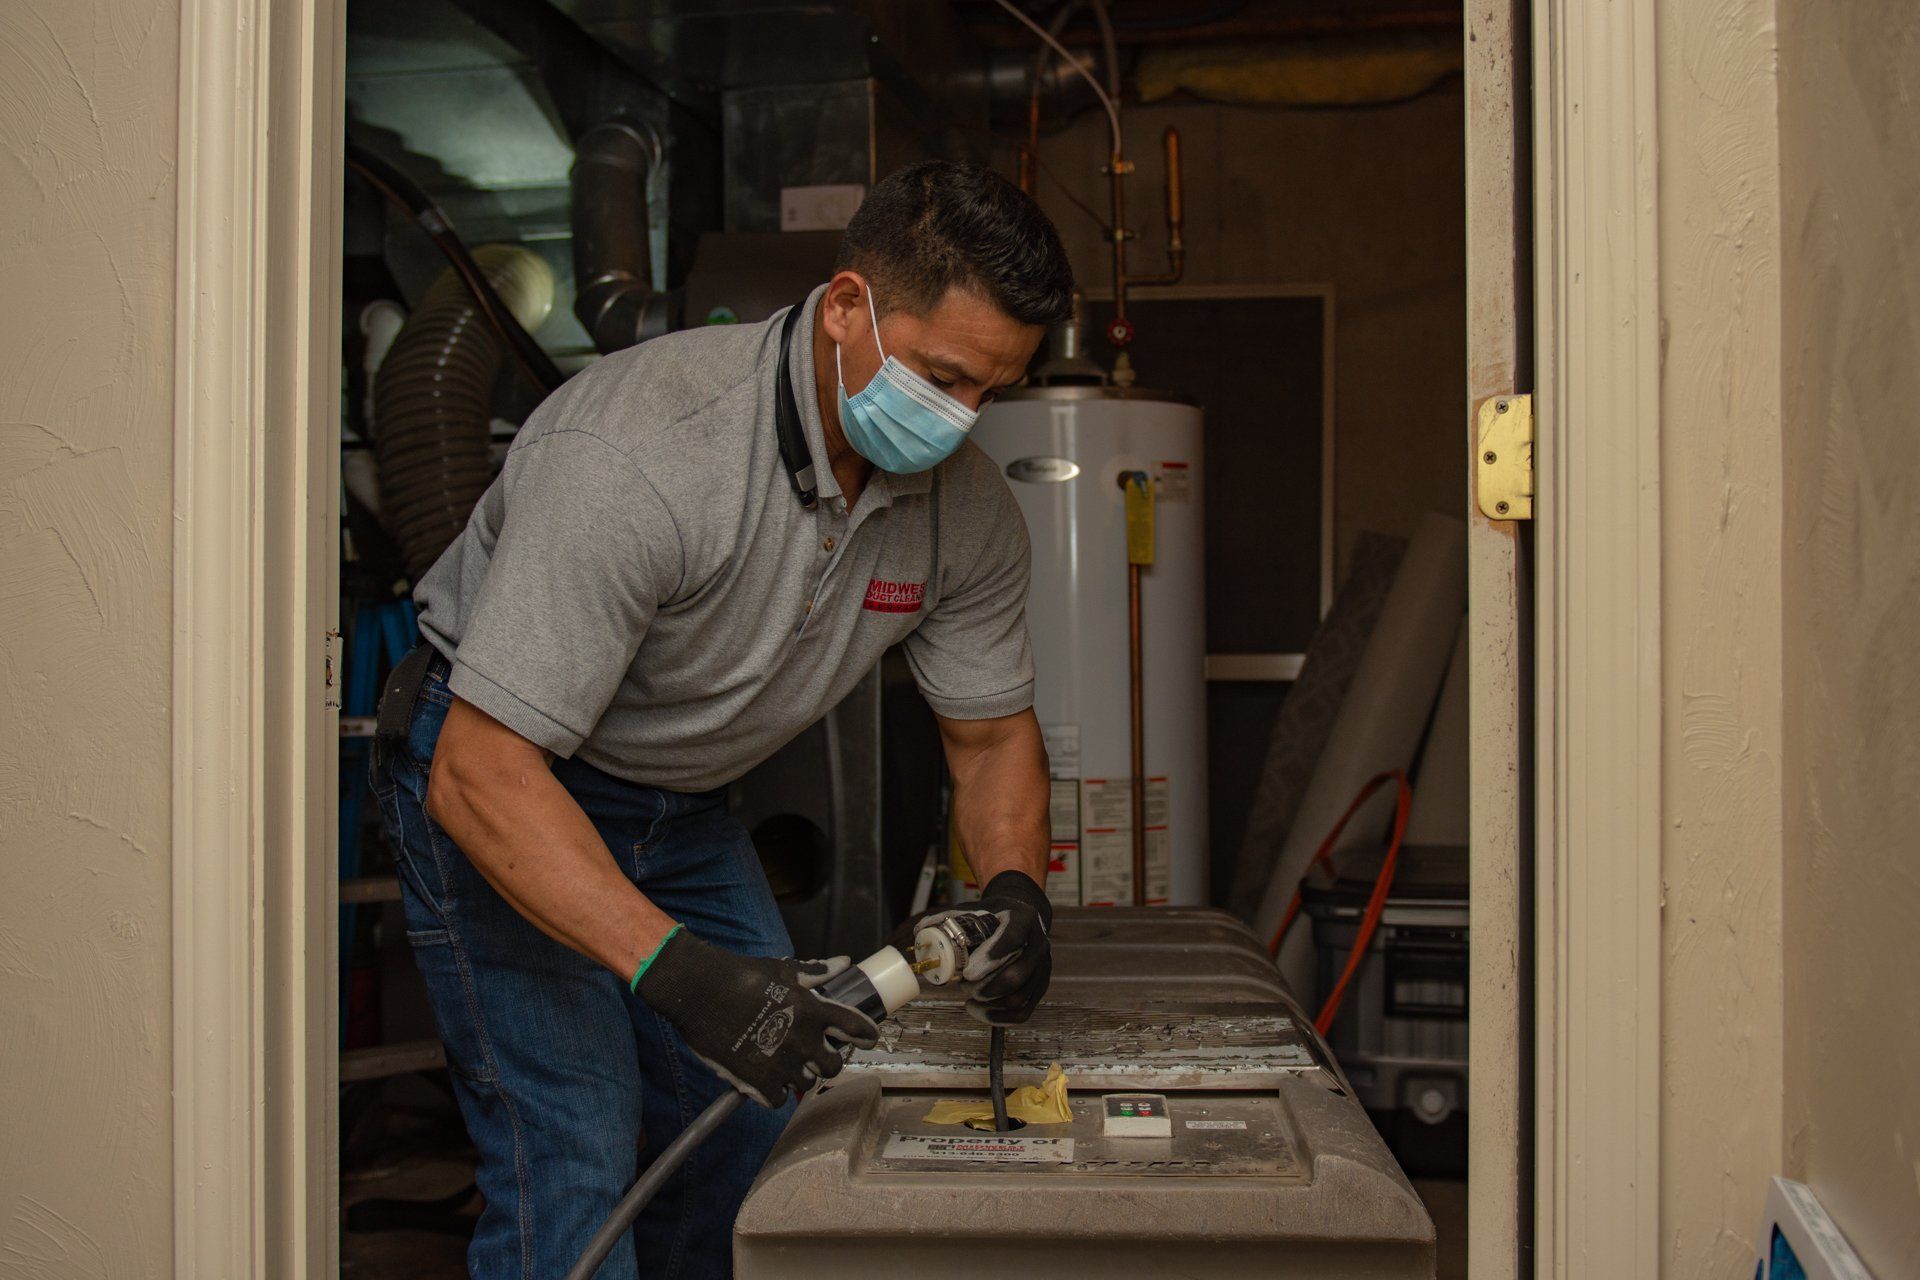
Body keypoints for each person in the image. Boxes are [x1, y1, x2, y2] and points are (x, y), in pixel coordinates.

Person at [370, 159, 1075, 1279]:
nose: (961, 421)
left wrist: (1016, 890)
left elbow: (988, 738)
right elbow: (479, 771)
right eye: (943, 378)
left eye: (995, 391)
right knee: (575, 1143)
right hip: (503, 773)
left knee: (755, 1110)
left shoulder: (967, 516)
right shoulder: (641, 453)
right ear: (846, 305)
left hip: (680, 807)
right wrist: (683, 976)